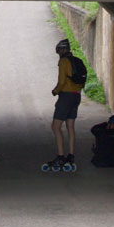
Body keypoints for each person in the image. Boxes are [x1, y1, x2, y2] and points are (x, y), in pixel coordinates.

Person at [45, 38, 83, 170]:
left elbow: (61, 82)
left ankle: (60, 157)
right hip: (76, 96)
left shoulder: (63, 62)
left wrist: (55, 91)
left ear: (61, 50)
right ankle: (71, 156)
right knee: (70, 126)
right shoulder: (76, 61)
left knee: (55, 127)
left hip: (66, 96)